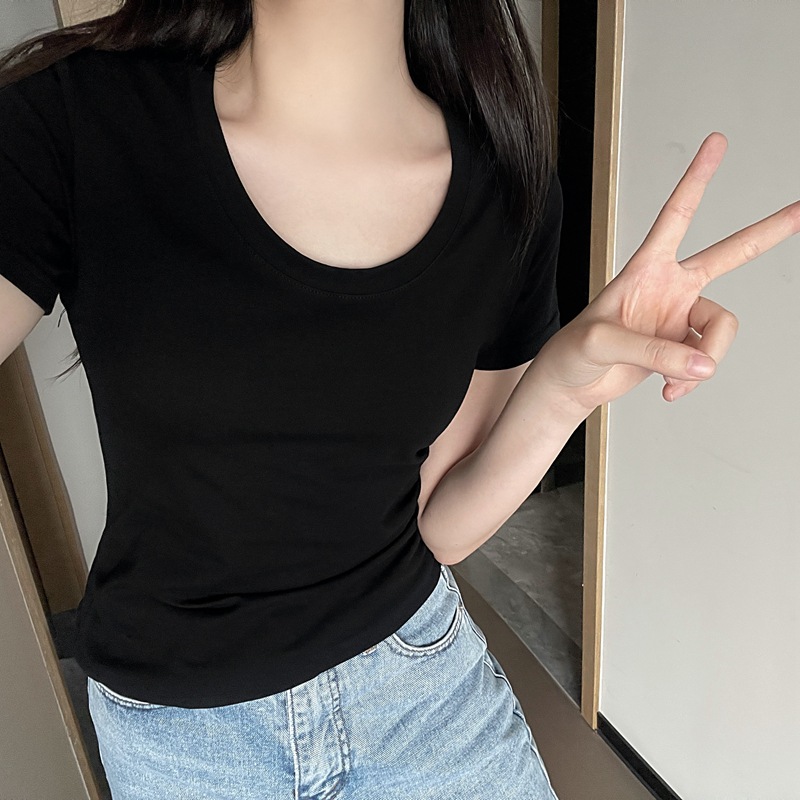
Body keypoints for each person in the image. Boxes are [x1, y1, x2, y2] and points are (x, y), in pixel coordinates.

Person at [0, 2, 797, 799]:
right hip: (186, 740)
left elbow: (440, 527)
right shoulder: (73, 119)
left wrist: (564, 385)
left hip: (420, 693)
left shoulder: (504, 183)